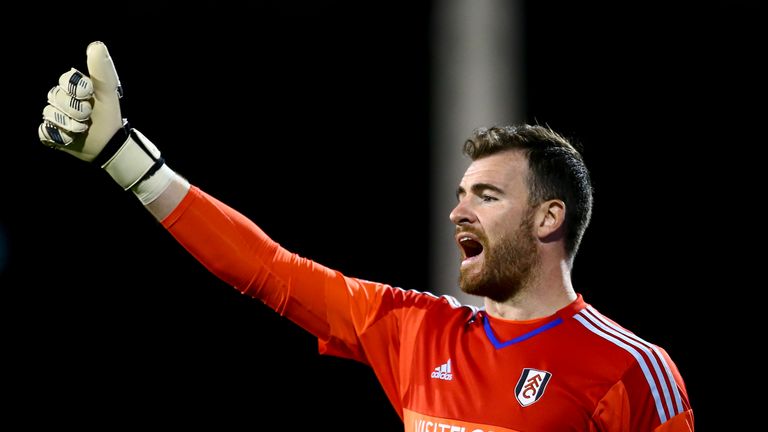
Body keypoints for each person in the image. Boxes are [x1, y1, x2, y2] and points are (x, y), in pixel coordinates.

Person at [37, 41, 694, 431]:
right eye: (460, 195)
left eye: (487, 196)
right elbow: (268, 269)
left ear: (549, 219)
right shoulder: (416, 333)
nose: (458, 213)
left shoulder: (633, 371)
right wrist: (126, 159)